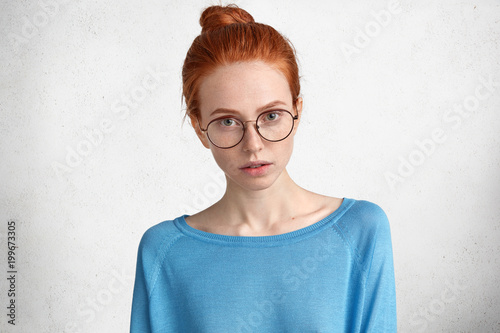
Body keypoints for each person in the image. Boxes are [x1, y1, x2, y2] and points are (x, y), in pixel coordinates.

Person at [130, 4, 397, 332]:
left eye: (271, 116)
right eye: (227, 121)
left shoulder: (360, 231)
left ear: (297, 111)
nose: (253, 145)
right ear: (200, 128)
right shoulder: (164, 252)